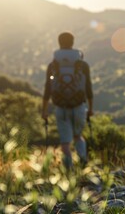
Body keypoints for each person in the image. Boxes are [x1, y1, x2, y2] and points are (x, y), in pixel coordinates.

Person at [42, 32, 93, 169]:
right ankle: (83, 163)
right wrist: (91, 109)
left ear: (59, 43)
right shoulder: (82, 65)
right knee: (78, 136)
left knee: (65, 142)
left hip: (61, 108)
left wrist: (44, 110)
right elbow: (88, 88)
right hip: (79, 106)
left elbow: (47, 89)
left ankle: (69, 171)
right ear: (72, 43)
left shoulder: (53, 65)